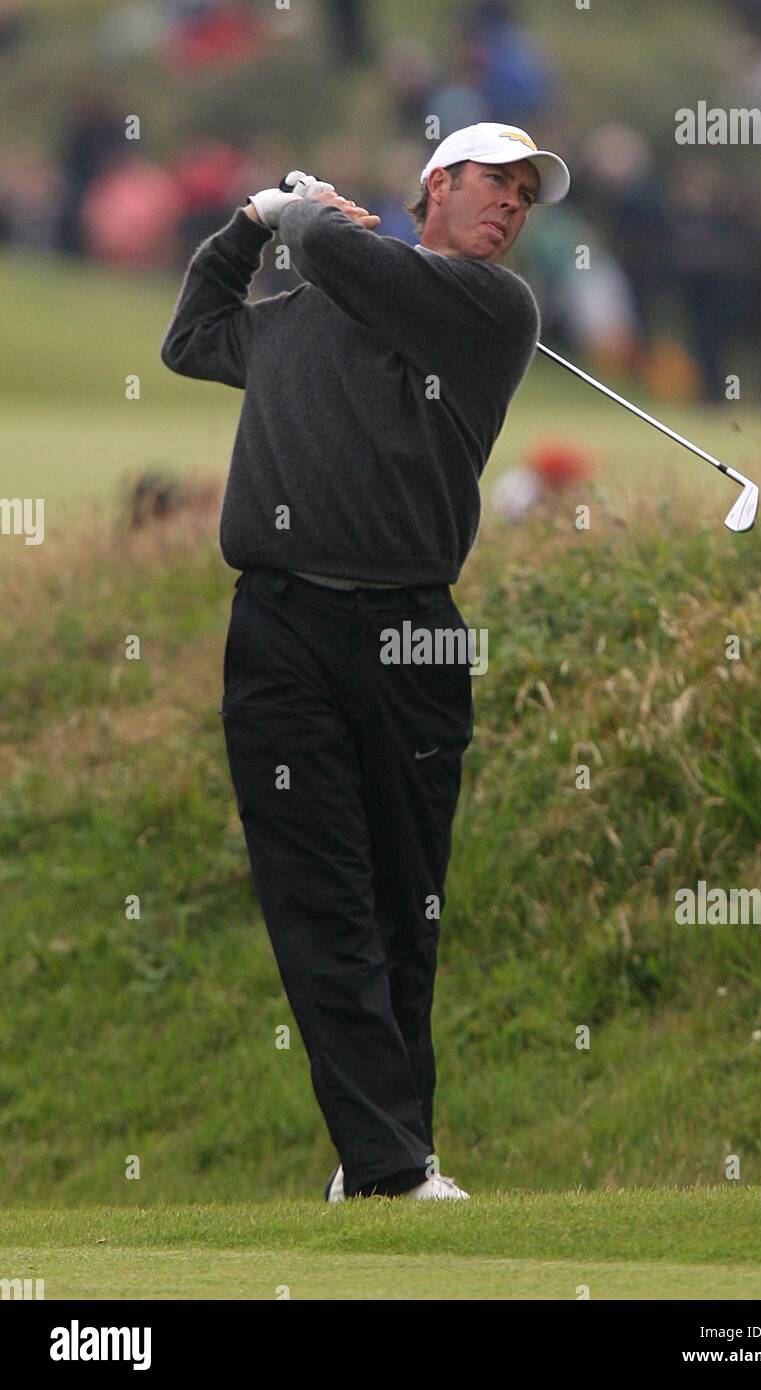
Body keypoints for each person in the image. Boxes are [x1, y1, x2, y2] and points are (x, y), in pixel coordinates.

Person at [160, 123, 570, 1202]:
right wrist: (253, 221)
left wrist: (304, 214)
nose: (514, 206)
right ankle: (390, 1164)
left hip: (414, 634)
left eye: (528, 196)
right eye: (497, 183)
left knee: (406, 906)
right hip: (280, 632)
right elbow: (192, 333)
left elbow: (348, 257)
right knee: (323, 898)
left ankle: (387, 1154)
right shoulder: (301, 313)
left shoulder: (494, 311)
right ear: (437, 184)